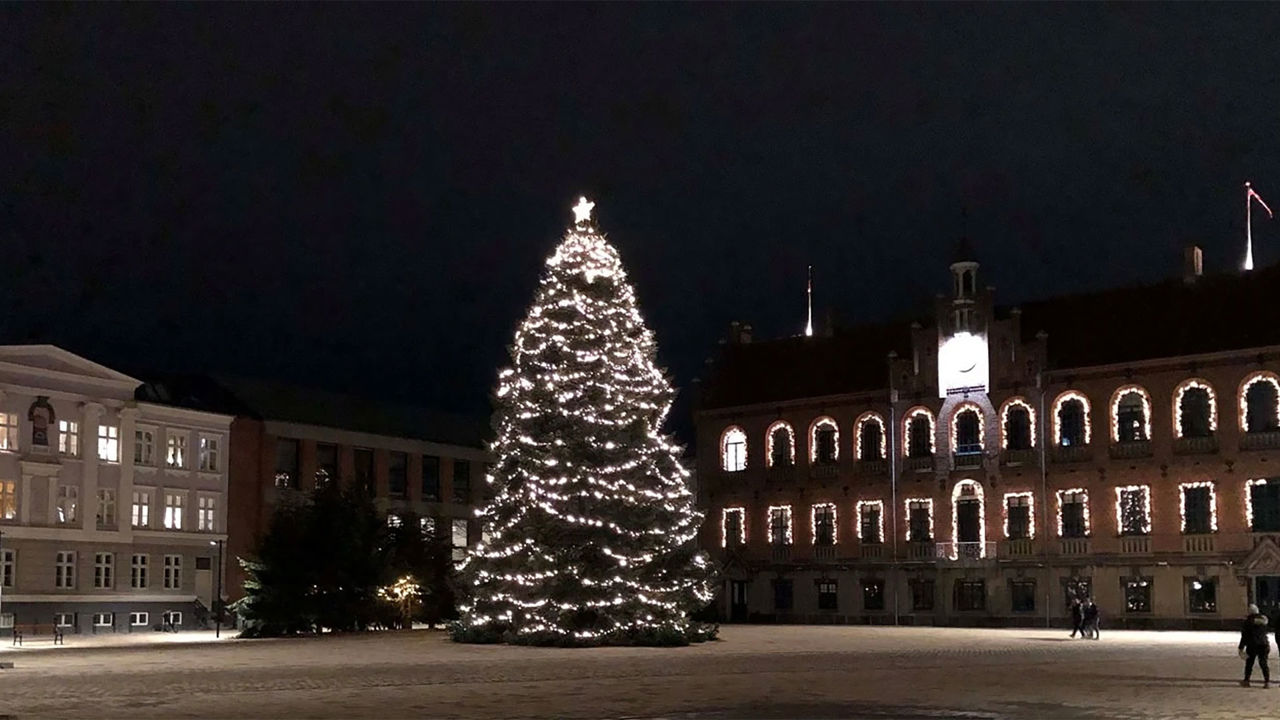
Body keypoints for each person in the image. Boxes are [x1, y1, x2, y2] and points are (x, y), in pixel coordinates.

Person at [1240, 603, 1271, 688]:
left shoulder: (1248, 622)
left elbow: (1244, 636)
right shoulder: (1264, 620)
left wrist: (1241, 647)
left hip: (1252, 644)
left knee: (1249, 663)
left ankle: (1246, 681)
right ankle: (1267, 681)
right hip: (1264, 644)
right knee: (1264, 663)